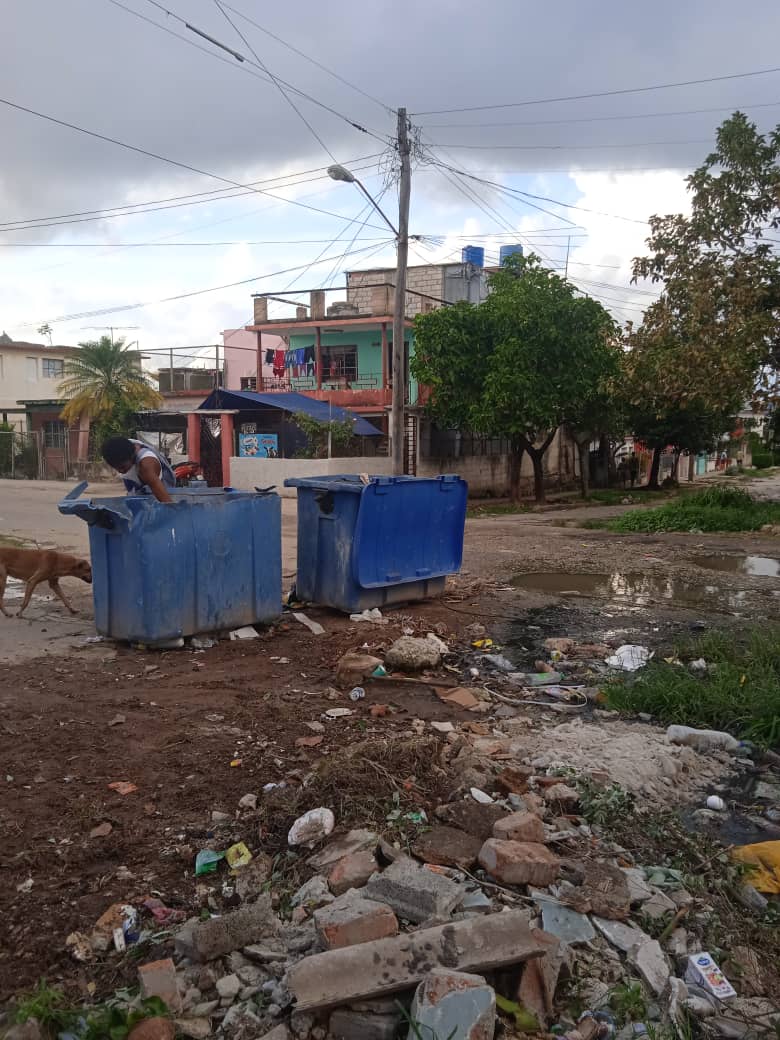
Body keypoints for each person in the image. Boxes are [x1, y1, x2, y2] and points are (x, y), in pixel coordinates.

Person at [101, 437, 175, 503]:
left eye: (122, 467)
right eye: (115, 467)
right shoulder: (121, 449)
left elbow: (167, 502)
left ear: (132, 456)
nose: (120, 471)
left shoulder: (146, 466)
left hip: (157, 496)